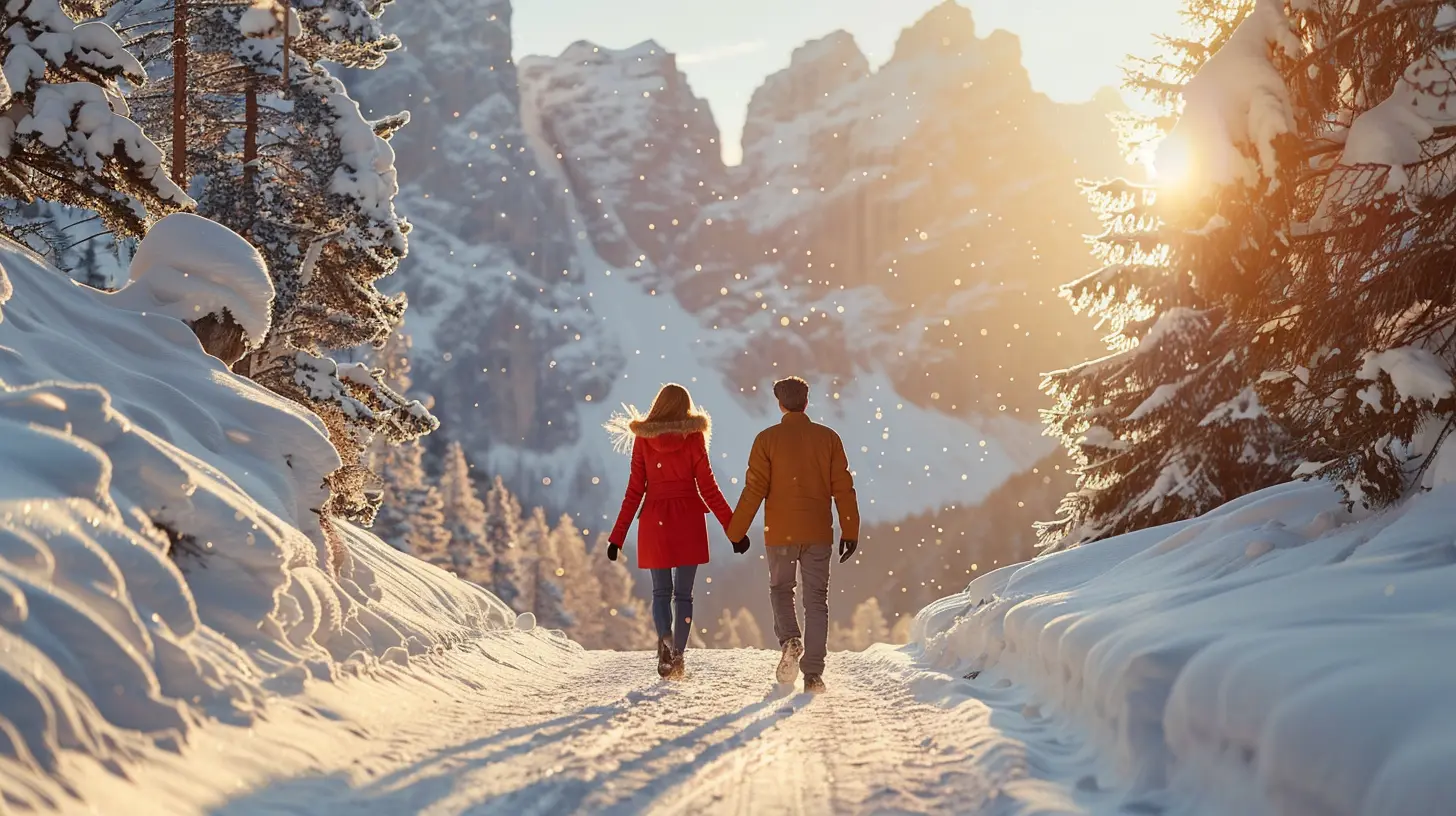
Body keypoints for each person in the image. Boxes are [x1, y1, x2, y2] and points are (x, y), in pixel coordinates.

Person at [726, 376, 859, 693]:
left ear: (780, 404)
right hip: (818, 532)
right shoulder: (828, 438)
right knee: (816, 601)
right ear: (806, 402)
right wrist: (850, 530)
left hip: (781, 533)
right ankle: (813, 674)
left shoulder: (766, 439)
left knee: (781, 589)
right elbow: (843, 488)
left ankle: (790, 639)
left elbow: (754, 489)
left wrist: (737, 531)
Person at [604, 383, 745, 679]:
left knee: (660, 592)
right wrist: (734, 531)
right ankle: (678, 654)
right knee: (684, 595)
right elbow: (708, 488)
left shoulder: (644, 440)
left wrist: (617, 537)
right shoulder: (693, 438)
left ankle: (665, 641)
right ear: (685, 407)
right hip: (688, 518)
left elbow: (634, 491)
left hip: (655, 519)